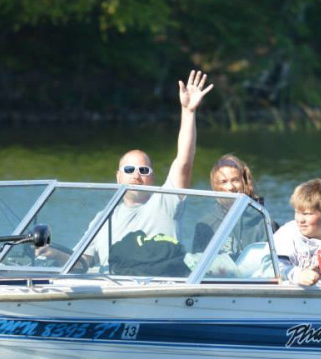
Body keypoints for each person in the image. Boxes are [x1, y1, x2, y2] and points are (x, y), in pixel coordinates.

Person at [39, 70, 213, 270]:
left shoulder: (166, 201)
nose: (137, 175)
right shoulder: (102, 218)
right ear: (118, 177)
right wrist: (53, 253)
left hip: (156, 287)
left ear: (152, 177)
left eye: (144, 170)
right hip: (111, 290)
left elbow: (184, 161)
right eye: (129, 169)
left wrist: (188, 112)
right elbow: (82, 262)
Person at [191, 154, 272, 258]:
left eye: (235, 180)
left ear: (245, 183)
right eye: (223, 182)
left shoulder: (263, 221)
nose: (230, 187)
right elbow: (196, 264)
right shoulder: (205, 225)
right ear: (215, 186)